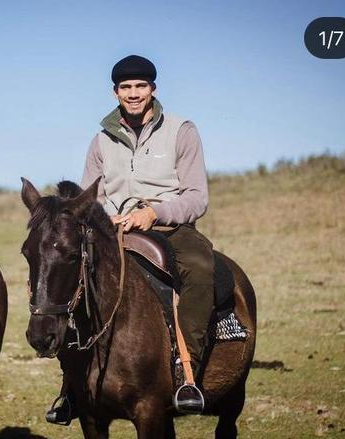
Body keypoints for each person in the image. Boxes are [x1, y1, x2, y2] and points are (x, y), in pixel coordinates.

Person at [48, 55, 213, 421]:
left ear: (153, 89)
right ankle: (71, 387)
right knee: (73, 277)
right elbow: (92, 197)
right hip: (114, 231)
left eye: (140, 86)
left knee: (201, 269)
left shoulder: (181, 130)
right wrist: (108, 218)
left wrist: (154, 213)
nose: (133, 93)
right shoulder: (101, 140)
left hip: (171, 228)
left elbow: (196, 196)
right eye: (126, 87)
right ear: (115, 92)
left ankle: (188, 374)